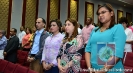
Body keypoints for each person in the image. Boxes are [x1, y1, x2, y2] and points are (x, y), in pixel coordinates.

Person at [85, 3, 126, 73]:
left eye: (103, 12)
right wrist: (89, 68)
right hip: (94, 69)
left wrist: (102, 70)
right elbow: (88, 50)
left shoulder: (117, 28)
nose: (100, 15)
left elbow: (117, 53)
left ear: (111, 13)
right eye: (98, 14)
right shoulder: (95, 30)